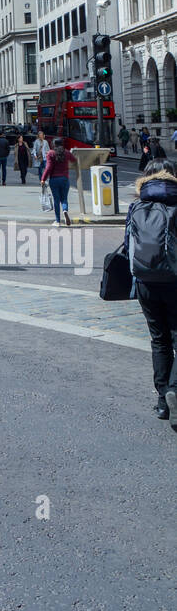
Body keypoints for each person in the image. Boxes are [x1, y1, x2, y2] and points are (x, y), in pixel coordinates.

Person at [125, 158, 177, 426]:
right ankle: (175, 391)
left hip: (146, 282)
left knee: (159, 340)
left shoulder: (136, 205)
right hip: (175, 281)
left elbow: (128, 247)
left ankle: (162, 402)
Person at [40, 135, 74, 226]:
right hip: (65, 179)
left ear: (53, 144)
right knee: (64, 199)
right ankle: (65, 210)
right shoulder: (66, 152)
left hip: (54, 180)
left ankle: (58, 221)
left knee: (56, 200)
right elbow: (74, 160)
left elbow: (48, 168)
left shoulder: (51, 153)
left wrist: (43, 179)